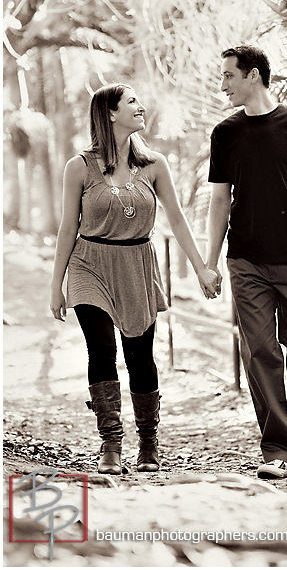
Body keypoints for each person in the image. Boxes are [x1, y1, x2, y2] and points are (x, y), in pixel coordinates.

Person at [50, 83, 220, 475]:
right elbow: (67, 226)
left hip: (136, 264)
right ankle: (110, 445)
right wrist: (55, 284)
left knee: (140, 356)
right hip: (89, 263)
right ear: (110, 114)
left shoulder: (155, 165)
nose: (141, 107)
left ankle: (148, 443)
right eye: (132, 102)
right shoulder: (79, 166)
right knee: (101, 348)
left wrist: (200, 268)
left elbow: (177, 220)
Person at [206, 45, 287, 480]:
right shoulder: (225, 133)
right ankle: (278, 448)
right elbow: (220, 200)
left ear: (253, 76)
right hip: (247, 261)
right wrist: (210, 261)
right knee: (259, 351)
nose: (222, 84)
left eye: (228, 76)